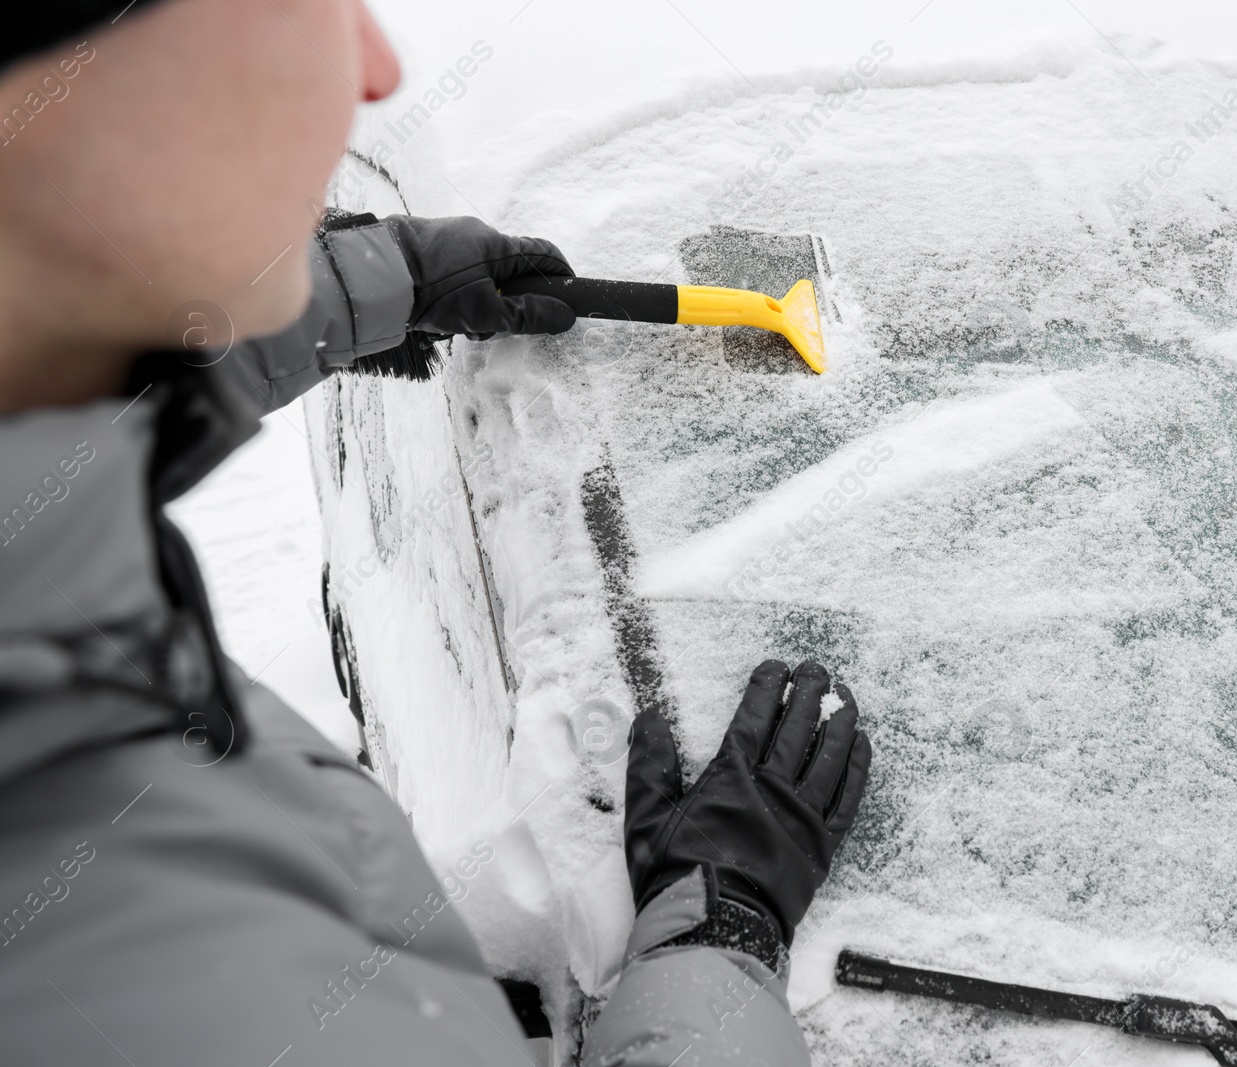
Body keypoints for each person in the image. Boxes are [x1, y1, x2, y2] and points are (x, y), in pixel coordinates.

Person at [0, 3, 871, 1065]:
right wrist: (716, 941)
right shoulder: (158, 981)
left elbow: (82, 370)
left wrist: (384, 283)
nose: (375, 65)